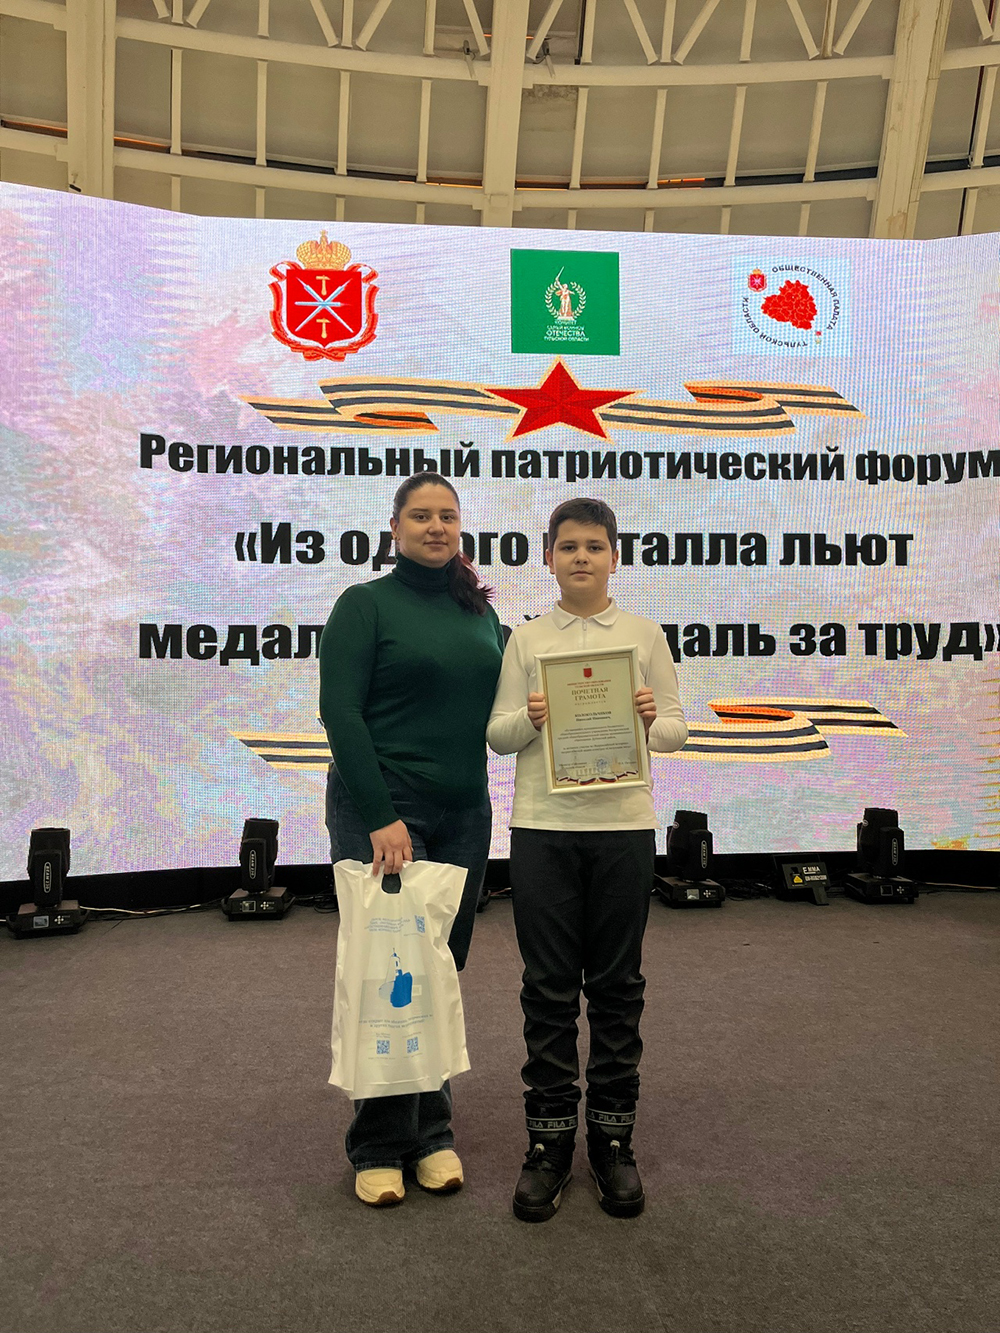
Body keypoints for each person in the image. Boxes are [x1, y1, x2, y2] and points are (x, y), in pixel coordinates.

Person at [486, 497, 688, 1222]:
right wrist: (532, 716)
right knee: (546, 987)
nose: (581, 557)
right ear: (548, 557)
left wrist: (650, 718)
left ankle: (612, 1139)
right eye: (568, 546)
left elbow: (675, 730)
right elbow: (498, 735)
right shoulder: (527, 639)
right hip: (543, 828)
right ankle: (547, 1143)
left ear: (614, 557)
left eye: (594, 546)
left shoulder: (643, 634)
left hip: (624, 828)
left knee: (616, 986)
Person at [320, 473, 505, 1207]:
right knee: (391, 973)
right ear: (394, 528)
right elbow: (340, 712)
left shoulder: (480, 613)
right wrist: (378, 814)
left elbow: (523, 695)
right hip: (385, 811)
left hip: (465, 813)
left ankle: (431, 1133)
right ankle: (378, 1145)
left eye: (448, 515)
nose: (436, 526)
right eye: (421, 515)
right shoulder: (364, 604)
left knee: (439, 973)